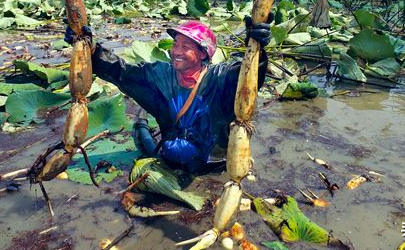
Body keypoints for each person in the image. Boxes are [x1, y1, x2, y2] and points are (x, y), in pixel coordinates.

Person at [65, 16, 272, 173]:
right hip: (170, 161)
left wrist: (258, 50)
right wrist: (90, 49)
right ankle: (144, 128)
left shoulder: (220, 78)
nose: (176, 51)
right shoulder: (160, 76)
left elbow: (249, 79)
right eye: (175, 45)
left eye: (185, 47)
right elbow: (122, 72)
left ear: (202, 54)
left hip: (213, 166)